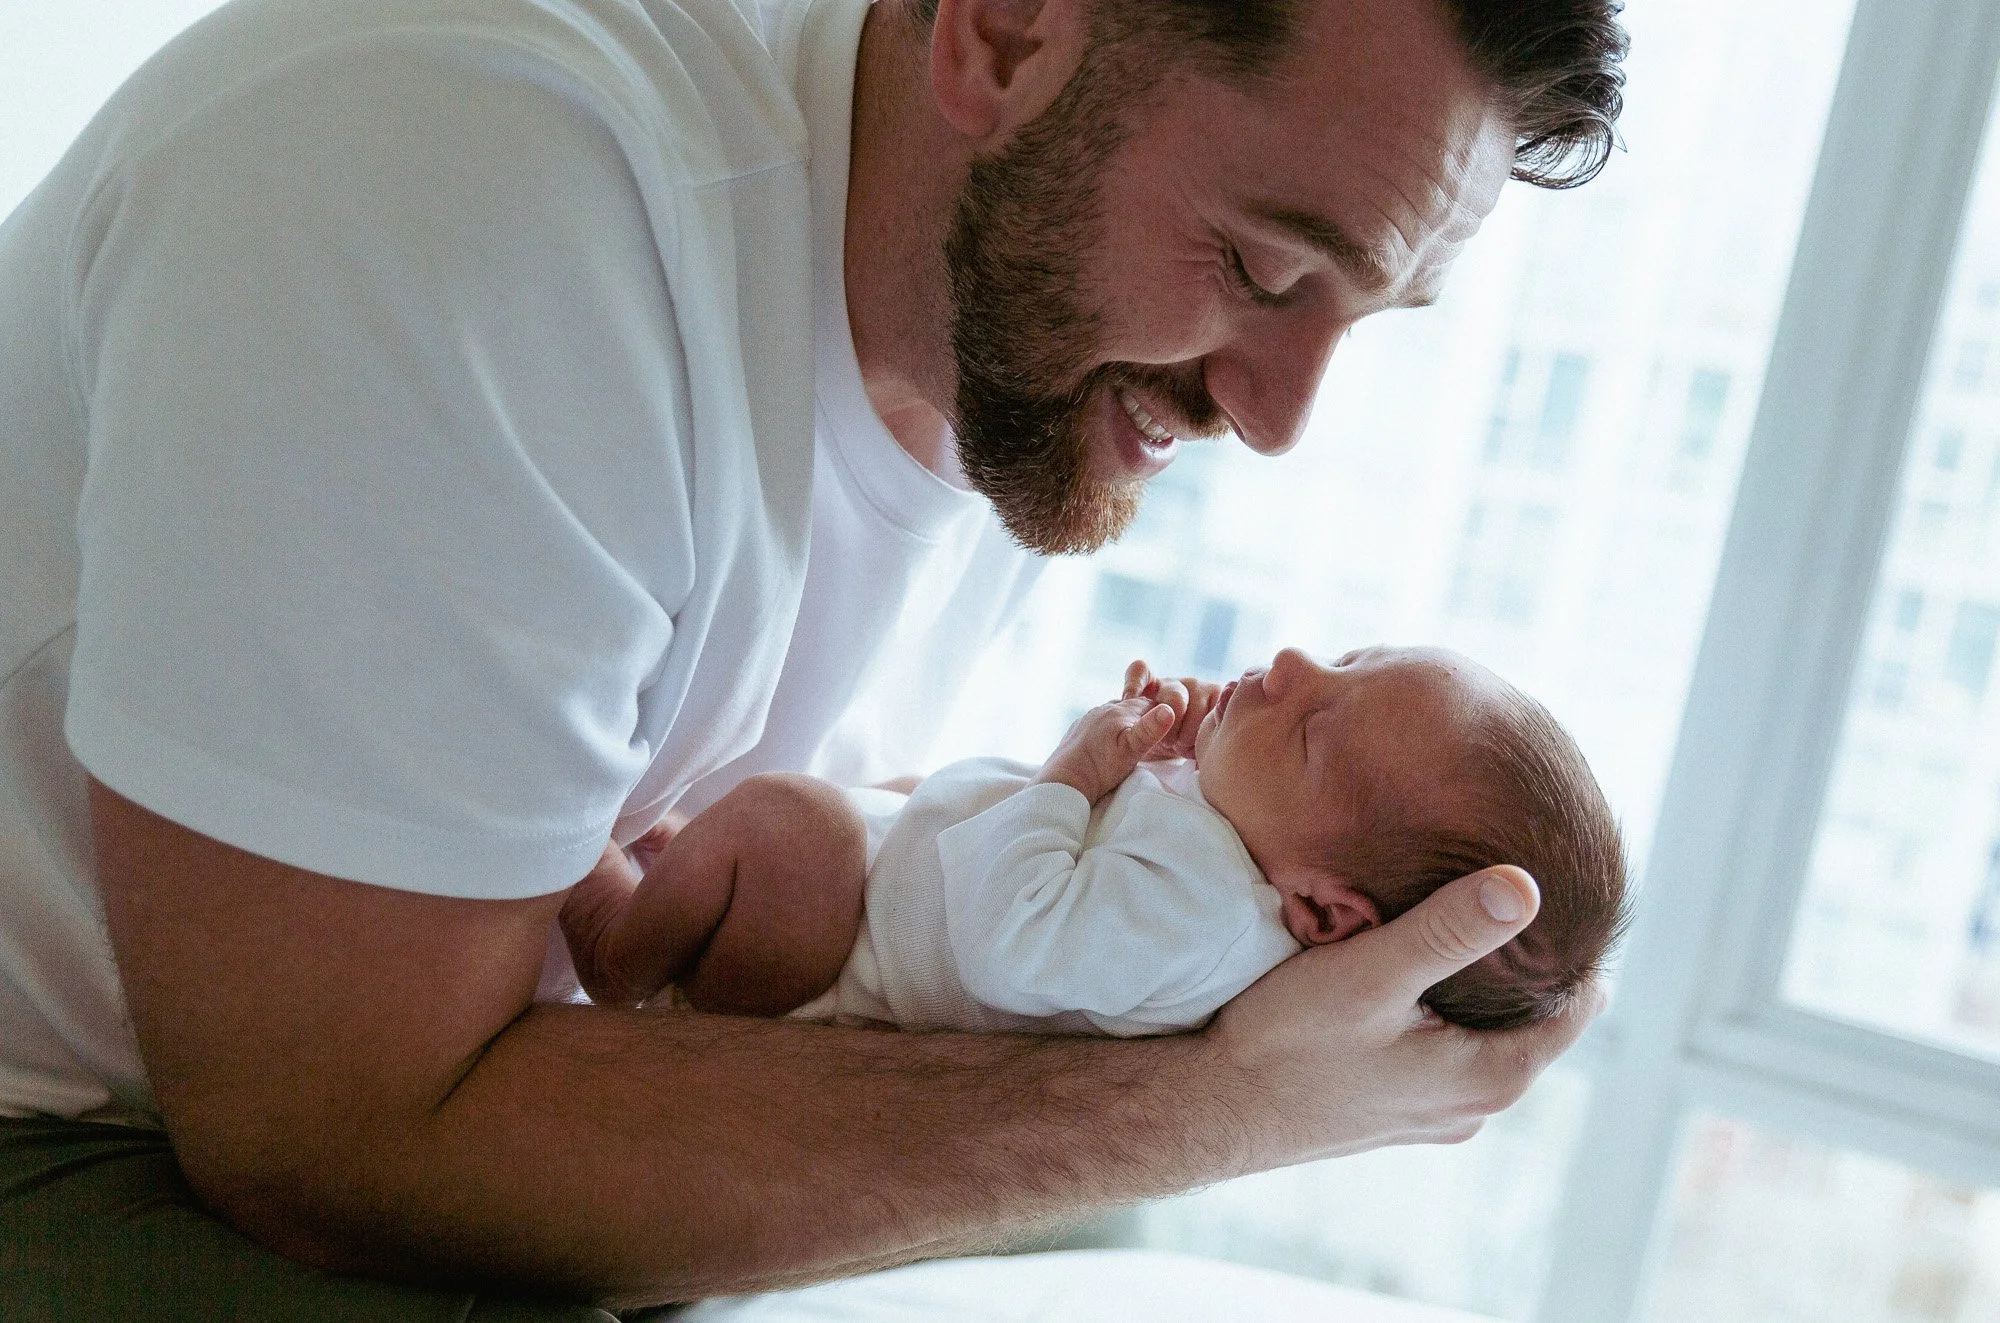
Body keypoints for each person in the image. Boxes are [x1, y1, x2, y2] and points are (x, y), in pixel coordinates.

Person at [0, 0, 1630, 1314]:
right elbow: (335, 1137)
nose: (1277, 417)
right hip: (75, 1116)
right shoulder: (482, 193)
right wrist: (1227, 1103)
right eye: (1266, 270)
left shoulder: (1015, 363)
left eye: (1368, 312)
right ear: (1003, 36)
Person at [562, 646, 1629, 1036]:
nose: (1294, 661)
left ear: (1321, 911)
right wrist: (1179, 733)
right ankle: (684, 869)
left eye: (1311, 725)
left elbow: (1009, 939)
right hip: (891, 884)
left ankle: (616, 941)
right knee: (889, 794)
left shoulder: (1206, 921)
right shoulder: (1243, 854)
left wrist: (1078, 770)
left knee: (797, 825)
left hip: (832, 962)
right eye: (1347, 657)